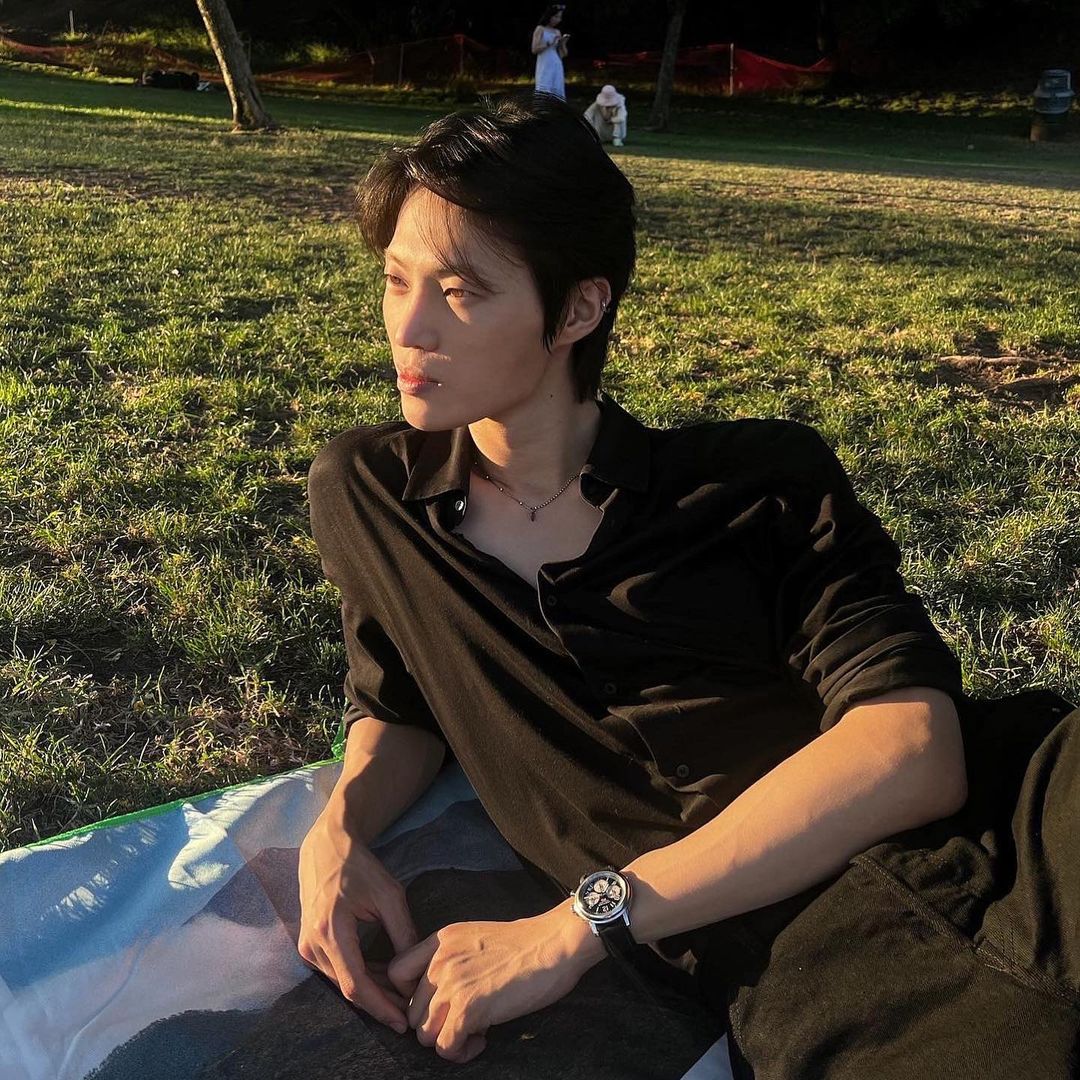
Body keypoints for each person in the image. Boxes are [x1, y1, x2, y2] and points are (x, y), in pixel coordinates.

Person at [297, 96, 1080, 1076]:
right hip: (814, 973)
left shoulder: (760, 480)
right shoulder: (372, 495)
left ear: (577, 310)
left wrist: (580, 922)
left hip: (1031, 826)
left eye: (460, 291)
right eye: (396, 279)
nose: (409, 326)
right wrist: (337, 832)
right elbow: (402, 699)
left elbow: (912, 749)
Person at [532, 5, 569, 100]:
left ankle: (557, 107)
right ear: (549, 16)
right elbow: (534, 49)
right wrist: (549, 43)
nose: (558, 20)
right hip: (544, 63)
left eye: (560, 17)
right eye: (556, 16)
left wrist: (563, 43)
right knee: (544, 86)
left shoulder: (557, 32)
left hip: (556, 63)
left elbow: (563, 54)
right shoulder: (540, 29)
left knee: (557, 87)